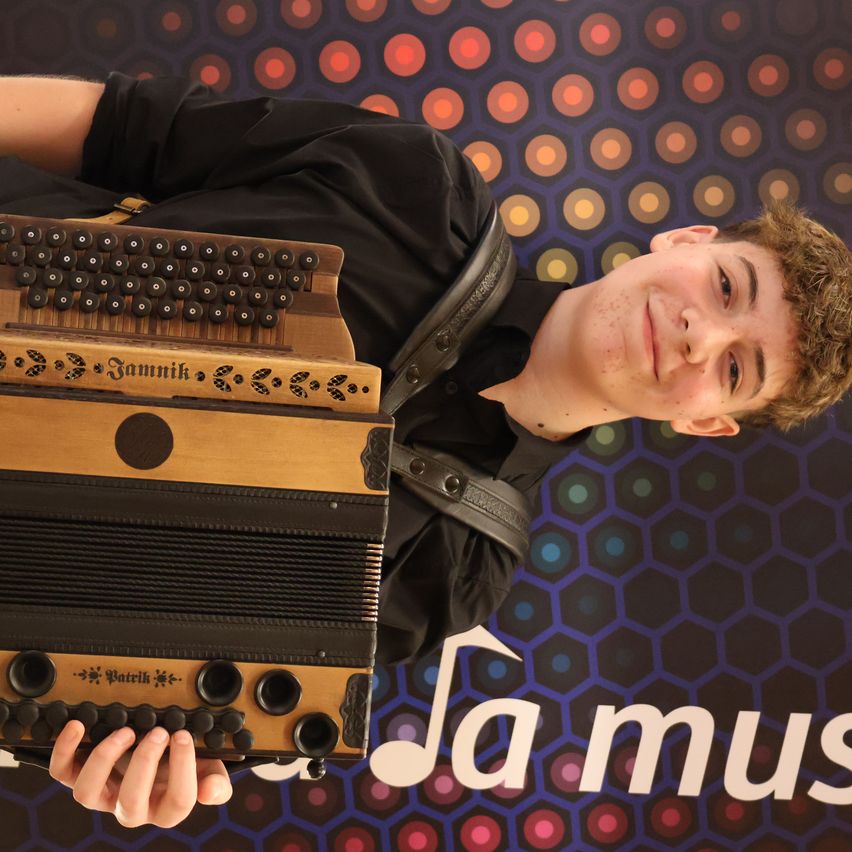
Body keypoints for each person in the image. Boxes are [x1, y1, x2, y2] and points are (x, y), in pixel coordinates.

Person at [1, 73, 849, 827]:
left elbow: (176, 707)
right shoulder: (415, 183)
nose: (704, 336)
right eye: (729, 286)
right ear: (687, 243)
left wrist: (150, 773)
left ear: (709, 424)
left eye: (738, 369)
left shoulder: (463, 566)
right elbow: (114, 126)